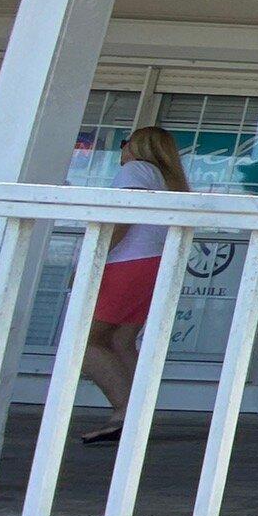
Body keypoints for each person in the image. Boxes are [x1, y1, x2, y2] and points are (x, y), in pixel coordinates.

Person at [80, 126, 192, 445]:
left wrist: (94, 260)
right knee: (120, 341)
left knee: (83, 343)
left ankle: (123, 413)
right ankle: (135, 415)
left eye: (124, 143)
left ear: (137, 146)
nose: (122, 150)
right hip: (154, 264)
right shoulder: (168, 178)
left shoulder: (136, 169)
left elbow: (122, 219)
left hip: (127, 263)